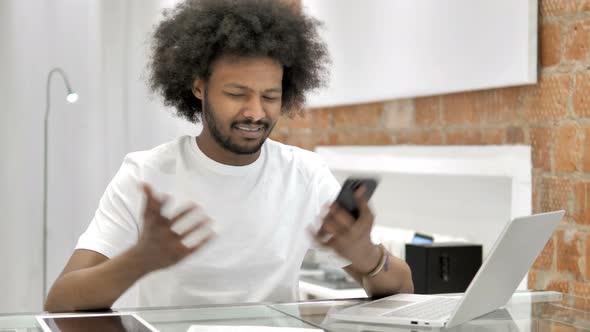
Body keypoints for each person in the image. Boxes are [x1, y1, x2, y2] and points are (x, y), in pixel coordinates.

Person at [44, 0, 413, 312]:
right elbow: (59, 301)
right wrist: (140, 259)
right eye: (237, 94)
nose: (256, 112)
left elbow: (404, 289)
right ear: (199, 87)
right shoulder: (146, 174)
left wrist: (365, 255)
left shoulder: (306, 174)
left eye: (270, 96)